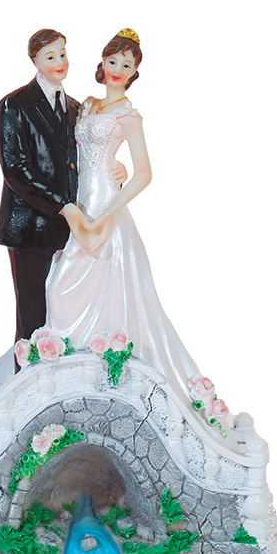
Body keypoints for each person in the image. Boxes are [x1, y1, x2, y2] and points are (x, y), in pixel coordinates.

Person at [45, 29, 236, 447]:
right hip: (78, 201)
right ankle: (68, 368)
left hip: (104, 205)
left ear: (134, 73)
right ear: (102, 62)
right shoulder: (88, 105)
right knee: (61, 285)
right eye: (113, 61)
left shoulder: (128, 115)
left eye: (127, 65)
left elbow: (145, 173)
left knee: (105, 280)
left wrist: (112, 202)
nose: (118, 69)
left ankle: (106, 365)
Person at [0, 29, 127, 351]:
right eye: (50, 56)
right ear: (35, 61)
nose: (60, 62)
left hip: (71, 231)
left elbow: (84, 159)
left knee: (63, 315)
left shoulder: (75, 108)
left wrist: (114, 169)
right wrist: (62, 205)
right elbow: (16, 168)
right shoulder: (15, 105)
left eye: (63, 54)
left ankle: (62, 376)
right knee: (33, 316)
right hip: (30, 227)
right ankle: (27, 378)